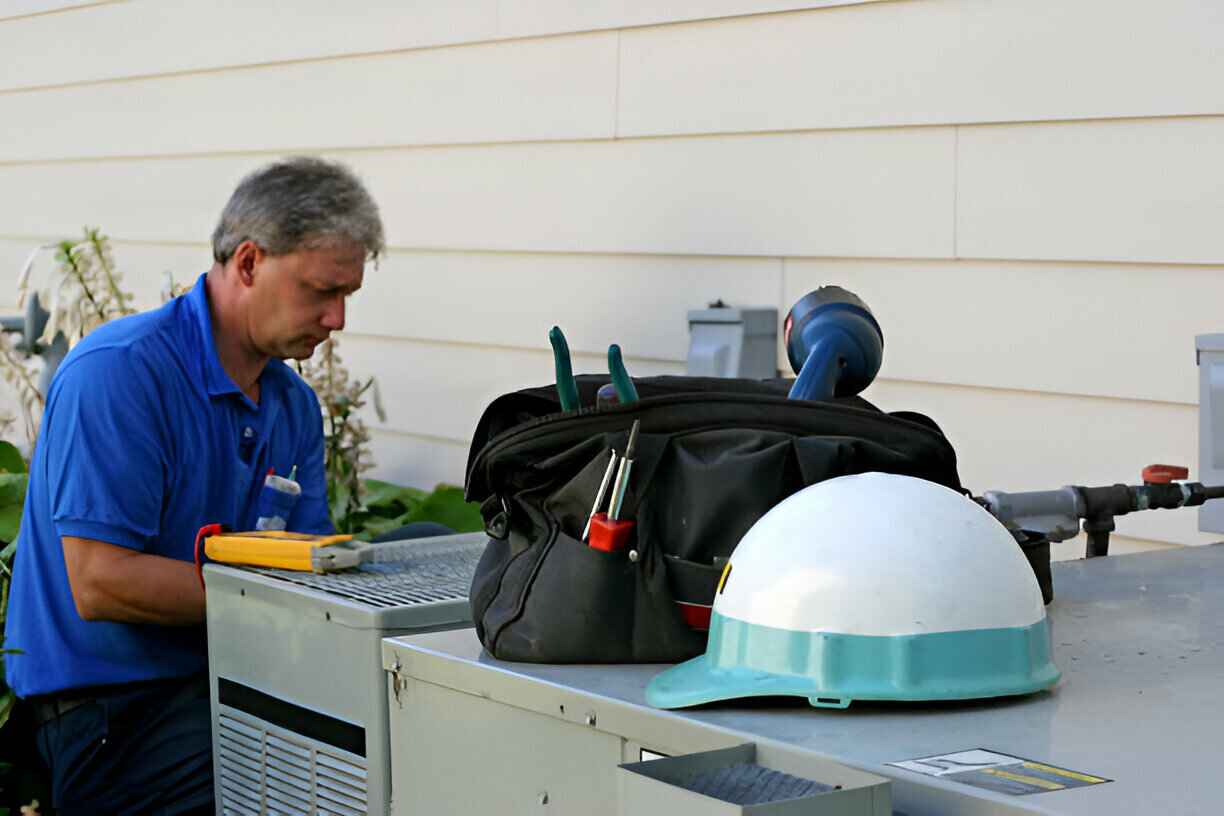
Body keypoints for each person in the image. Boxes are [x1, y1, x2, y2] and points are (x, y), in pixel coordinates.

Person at [5, 156, 384, 815]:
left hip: (230, 676)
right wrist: (281, 597)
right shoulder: (121, 374)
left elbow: (312, 565)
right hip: (109, 712)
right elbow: (100, 581)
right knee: (319, 787)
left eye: (347, 295)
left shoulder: (290, 404)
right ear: (247, 264)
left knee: (386, 751)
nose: (337, 319)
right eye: (321, 291)